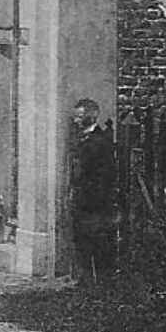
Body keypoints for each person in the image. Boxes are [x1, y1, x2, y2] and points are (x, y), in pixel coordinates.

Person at [70, 97, 118, 279]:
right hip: (82, 202)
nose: (76, 120)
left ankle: (97, 281)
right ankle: (86, 281)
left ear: (92, 116)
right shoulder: (83, 139)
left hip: (94, 204)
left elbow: (104, 176)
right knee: (82, 241)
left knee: (96, 242)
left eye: (80, 116)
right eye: (76, 117)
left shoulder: (100, 141)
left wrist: (90, 198)